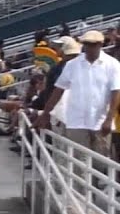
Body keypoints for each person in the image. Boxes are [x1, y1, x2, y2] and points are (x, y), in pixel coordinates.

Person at [36, 29, 120, 159]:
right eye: (86, 43)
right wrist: (46, 113)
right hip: (76, 121)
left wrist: (109, 119)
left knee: (100, 163)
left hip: (100, 121)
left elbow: (115, 92)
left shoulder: (112, 65)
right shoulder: (72, 65)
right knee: (78, 163)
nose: (89, 47)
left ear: (100, 44)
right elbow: (58, 90)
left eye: (93, 44)